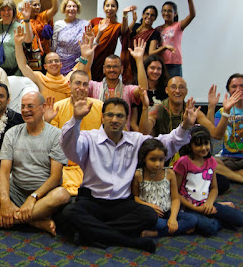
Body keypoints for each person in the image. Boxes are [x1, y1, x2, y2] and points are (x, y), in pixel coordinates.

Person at [59, 92, 198, 252]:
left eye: (120, 116)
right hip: (92, 200)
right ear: (102, 117)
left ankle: (91, 233)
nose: (114, 120)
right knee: (69, 212)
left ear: (126, 119)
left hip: (122, 203)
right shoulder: (88, 138)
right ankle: (129, 241)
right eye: (110, 115)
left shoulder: (136, 140)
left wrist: (185, 126)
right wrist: (76, 119)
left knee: (149, 216)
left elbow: (165, 145)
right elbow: (68, 145)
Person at [0, 91, 71, 236]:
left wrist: (33, 197)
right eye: (23, 106)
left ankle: (0, 221)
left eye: (30, 106)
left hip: (43, 196)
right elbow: (4, 172)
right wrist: (5, 200)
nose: (25, 110)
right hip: (16, 191)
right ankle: (35, 222)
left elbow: (55, 177)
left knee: (62, 194)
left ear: (43, 107)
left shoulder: (56, 135)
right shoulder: (12, 133)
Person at [174, 126, 243, 236]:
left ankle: (212, 214)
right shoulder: (183, 162)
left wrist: (209, 203)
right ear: (190, 145)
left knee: (242, 220)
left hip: (207, 203)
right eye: (198, 144)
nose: (204, 148)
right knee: (209, 228)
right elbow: (175, 192)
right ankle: (216, 219)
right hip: (189, 208)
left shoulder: (211, 161)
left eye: (206, 143)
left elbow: (214, 188)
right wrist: (197, 209)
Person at [49, 70, 103, 196]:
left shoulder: (99, 106)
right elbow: (52, 142)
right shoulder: (58, 107)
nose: (81, 88)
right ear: (69, 84)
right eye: (77, 83)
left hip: (93, 165)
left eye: (85, 84)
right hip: (65, 167)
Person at [132, 139, 197, 238]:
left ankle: (157, 233)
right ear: (144, 158)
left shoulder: (169, 174)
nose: (157, 164)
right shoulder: (139, 175)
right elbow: (135, 197)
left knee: (192, 219)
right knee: (159, 224)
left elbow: (175, 198)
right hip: (151, 215)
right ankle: (179, 229)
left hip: (168, 211)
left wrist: (173, 218)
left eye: (161, 159)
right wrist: (148, 205)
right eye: (153, 160)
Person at [14, 25, 93, 104]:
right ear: (45, 66)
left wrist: (87, 52)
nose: (54, 63)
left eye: (56, 61)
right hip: (47, 115)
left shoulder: (70, 79)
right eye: (50, 61)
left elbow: (85, 66)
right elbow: (23, 65)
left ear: (61, 64)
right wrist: (18, 44)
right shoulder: (40, 79)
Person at [87, 39, 148, 130]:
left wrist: (139, 60)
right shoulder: (93, 86)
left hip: (122, 136)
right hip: (97, 135)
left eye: (115, 66)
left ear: (121, 69)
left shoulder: (128, 90)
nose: (112, 69)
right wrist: (85, 57)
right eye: (108, 67)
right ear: (104, 69)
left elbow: (143, 90)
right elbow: (78, 82)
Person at [5, 0, 59, 65]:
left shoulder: (42, 17)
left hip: (42, 56)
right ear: (27, 5)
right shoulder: (20, 16)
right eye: (35, 5)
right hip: (25, 55)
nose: (37, 7)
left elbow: (55, 9)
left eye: (39, 5)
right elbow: (6, 3)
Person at [0, 0, 33, 76]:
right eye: (3, 10)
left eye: (9, 10)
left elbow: (28, 40)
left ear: (13, 11)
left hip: (15, 73)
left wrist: (27, 20)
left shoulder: (19, 27)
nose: (6, 12)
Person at [155, 0, 196, 78]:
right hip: (160, 64)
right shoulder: (158, 29)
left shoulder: (178, 26)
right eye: (164, 11)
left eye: (169, 11)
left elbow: (192, 15)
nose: (166, 13)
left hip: (174, 64)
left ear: (175, 13)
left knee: (175, 90)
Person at [129, 54, 169, 132]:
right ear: (145, 69)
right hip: (141, 135)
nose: (155, 71)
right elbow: (132, 123)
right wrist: (143, 137)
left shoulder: (166, 91)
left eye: (159, 69)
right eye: (152, 68)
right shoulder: (137, 90)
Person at [52, 0, 90, 75]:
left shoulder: (84, 24)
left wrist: (99, 32)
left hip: (77, 62)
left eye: (74, 6)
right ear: (64, 9)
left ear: (77, 9)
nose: (71, 8)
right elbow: (54, 44)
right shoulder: (58, 24)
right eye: (69, 6)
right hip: (60, 63)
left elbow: (89, 44)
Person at [90, 0, 123, 81]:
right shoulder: (96, 21)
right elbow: (87, 38)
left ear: (117, 8)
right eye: (107, 6)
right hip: (91, 58)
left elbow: (126, 30)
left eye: (113, 6)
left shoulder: (117, 26)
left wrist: (126, 16)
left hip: (104, 62)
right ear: (104, 8)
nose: (110, 8)